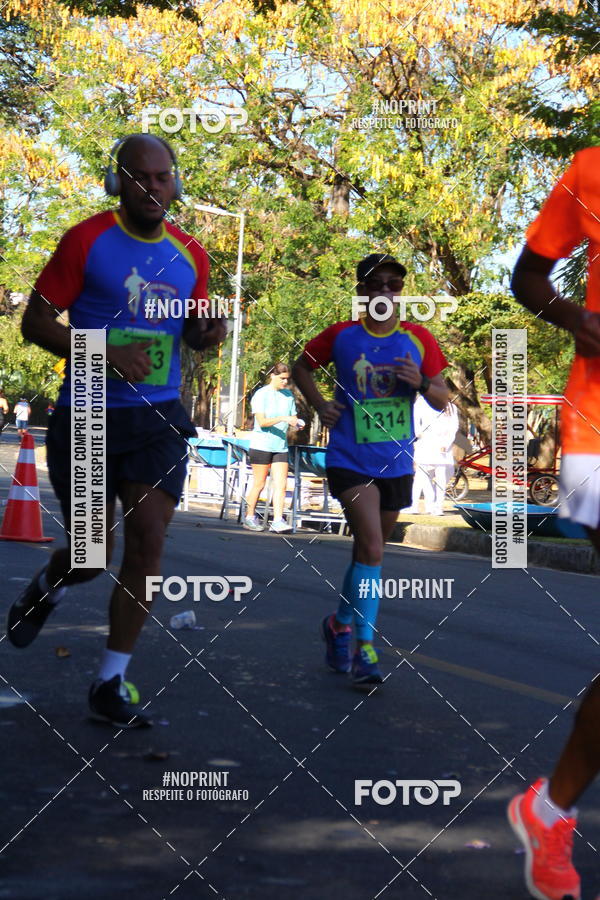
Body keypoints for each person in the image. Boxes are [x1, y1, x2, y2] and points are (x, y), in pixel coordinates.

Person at [6, 133, 226, 728]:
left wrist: (209, 332)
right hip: (88, 415)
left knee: (148, 544)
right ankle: (51, 581)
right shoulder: (87, 240)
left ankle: (110, 681)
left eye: (164, 177)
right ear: (118, 183)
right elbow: (35, 322)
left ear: (174, 183)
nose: (154, 187)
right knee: (90, 555)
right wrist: (98, 349)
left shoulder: (192, 254)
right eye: (141, 177)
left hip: (156, 419)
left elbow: (196, 328)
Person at [508, 146, 600, 900]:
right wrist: (578, 318)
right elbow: (527, 278)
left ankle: (548, 809)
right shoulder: (593, 169)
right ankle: (549, 811)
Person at [293, 253, 449, 686]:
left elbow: (442, 398)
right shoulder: (342, 336)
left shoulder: (418, 339)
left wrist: (419, 381)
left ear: (402, 291)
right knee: (375, 548)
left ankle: (338, 624)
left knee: (366, 552)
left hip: (396, 462)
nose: (385, 292)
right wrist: (321, 404)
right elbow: (301, 366)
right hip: (349, 458)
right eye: (376, 284)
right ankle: (365, 646)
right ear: (361, 291)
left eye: (394, 285)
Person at [243, 362, 299, 533]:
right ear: (272, 376)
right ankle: (249, 516)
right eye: (282, 379)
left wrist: (297, 423)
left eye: (287, 380)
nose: (284, 383)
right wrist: (283, 418)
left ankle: (278, 520)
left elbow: (293, 417)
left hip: (280, 446)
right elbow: (263, 422)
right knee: (259, 483)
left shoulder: (288, 395)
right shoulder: (261, 395)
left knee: (281, 484)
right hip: (262, 445)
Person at [406, 396, 459, 515]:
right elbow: (416, 419)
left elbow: (453, 428)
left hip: (442, 448)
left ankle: (437, 506)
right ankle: (427, 506)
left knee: (441, 478)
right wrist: (418, 432)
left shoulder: (450, 407)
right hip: (426, 444)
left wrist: (446, 443)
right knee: (423, 477)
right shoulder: (421, 402)